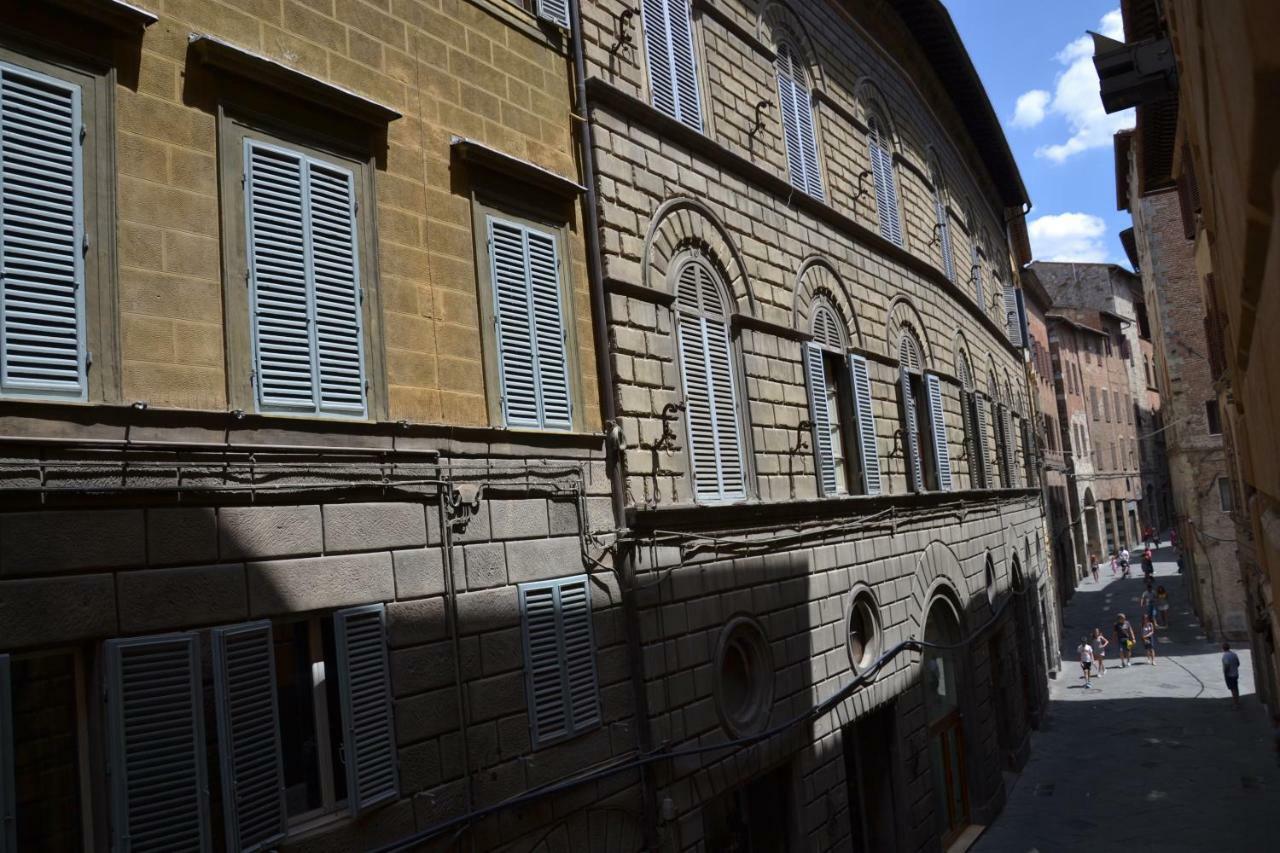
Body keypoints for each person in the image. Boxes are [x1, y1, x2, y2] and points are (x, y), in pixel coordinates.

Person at [1223, 642, 1241, 707]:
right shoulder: (1234, 654)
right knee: (1236, 688)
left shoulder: (1225, 656)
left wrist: (1225, 673)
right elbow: (1238, 663)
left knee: (1232, 689)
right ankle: (1238, 701)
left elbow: (1227, 665)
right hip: (1236, 674)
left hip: (1230, 675)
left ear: (1223, 649)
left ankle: (1235, 703)